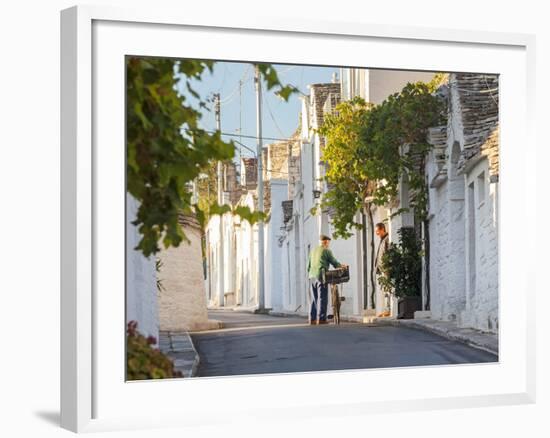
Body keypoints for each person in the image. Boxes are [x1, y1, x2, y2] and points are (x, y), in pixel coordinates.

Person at [307, 235, 347, 325]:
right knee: (322, 297)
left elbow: (308, 265)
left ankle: (312, 319)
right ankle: (321, 319)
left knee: (314, 298)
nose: (328, 244)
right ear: (326, 242)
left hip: (311, 276)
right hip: (320, 275)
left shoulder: (313, 251)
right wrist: (342, 266)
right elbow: (334, 262)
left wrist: (310, 274)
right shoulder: (326, 251)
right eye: (328, 242)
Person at [374, 222, 390, 317]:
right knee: (385, 289)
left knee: (387, 289)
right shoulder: (382, 239)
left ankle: (388, 310)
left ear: (382, 229)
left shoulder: (387, 239)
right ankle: (386, 310)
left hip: (386, 268)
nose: (377, 233)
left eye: (377, 231)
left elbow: (387, 253)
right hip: (383, 269)